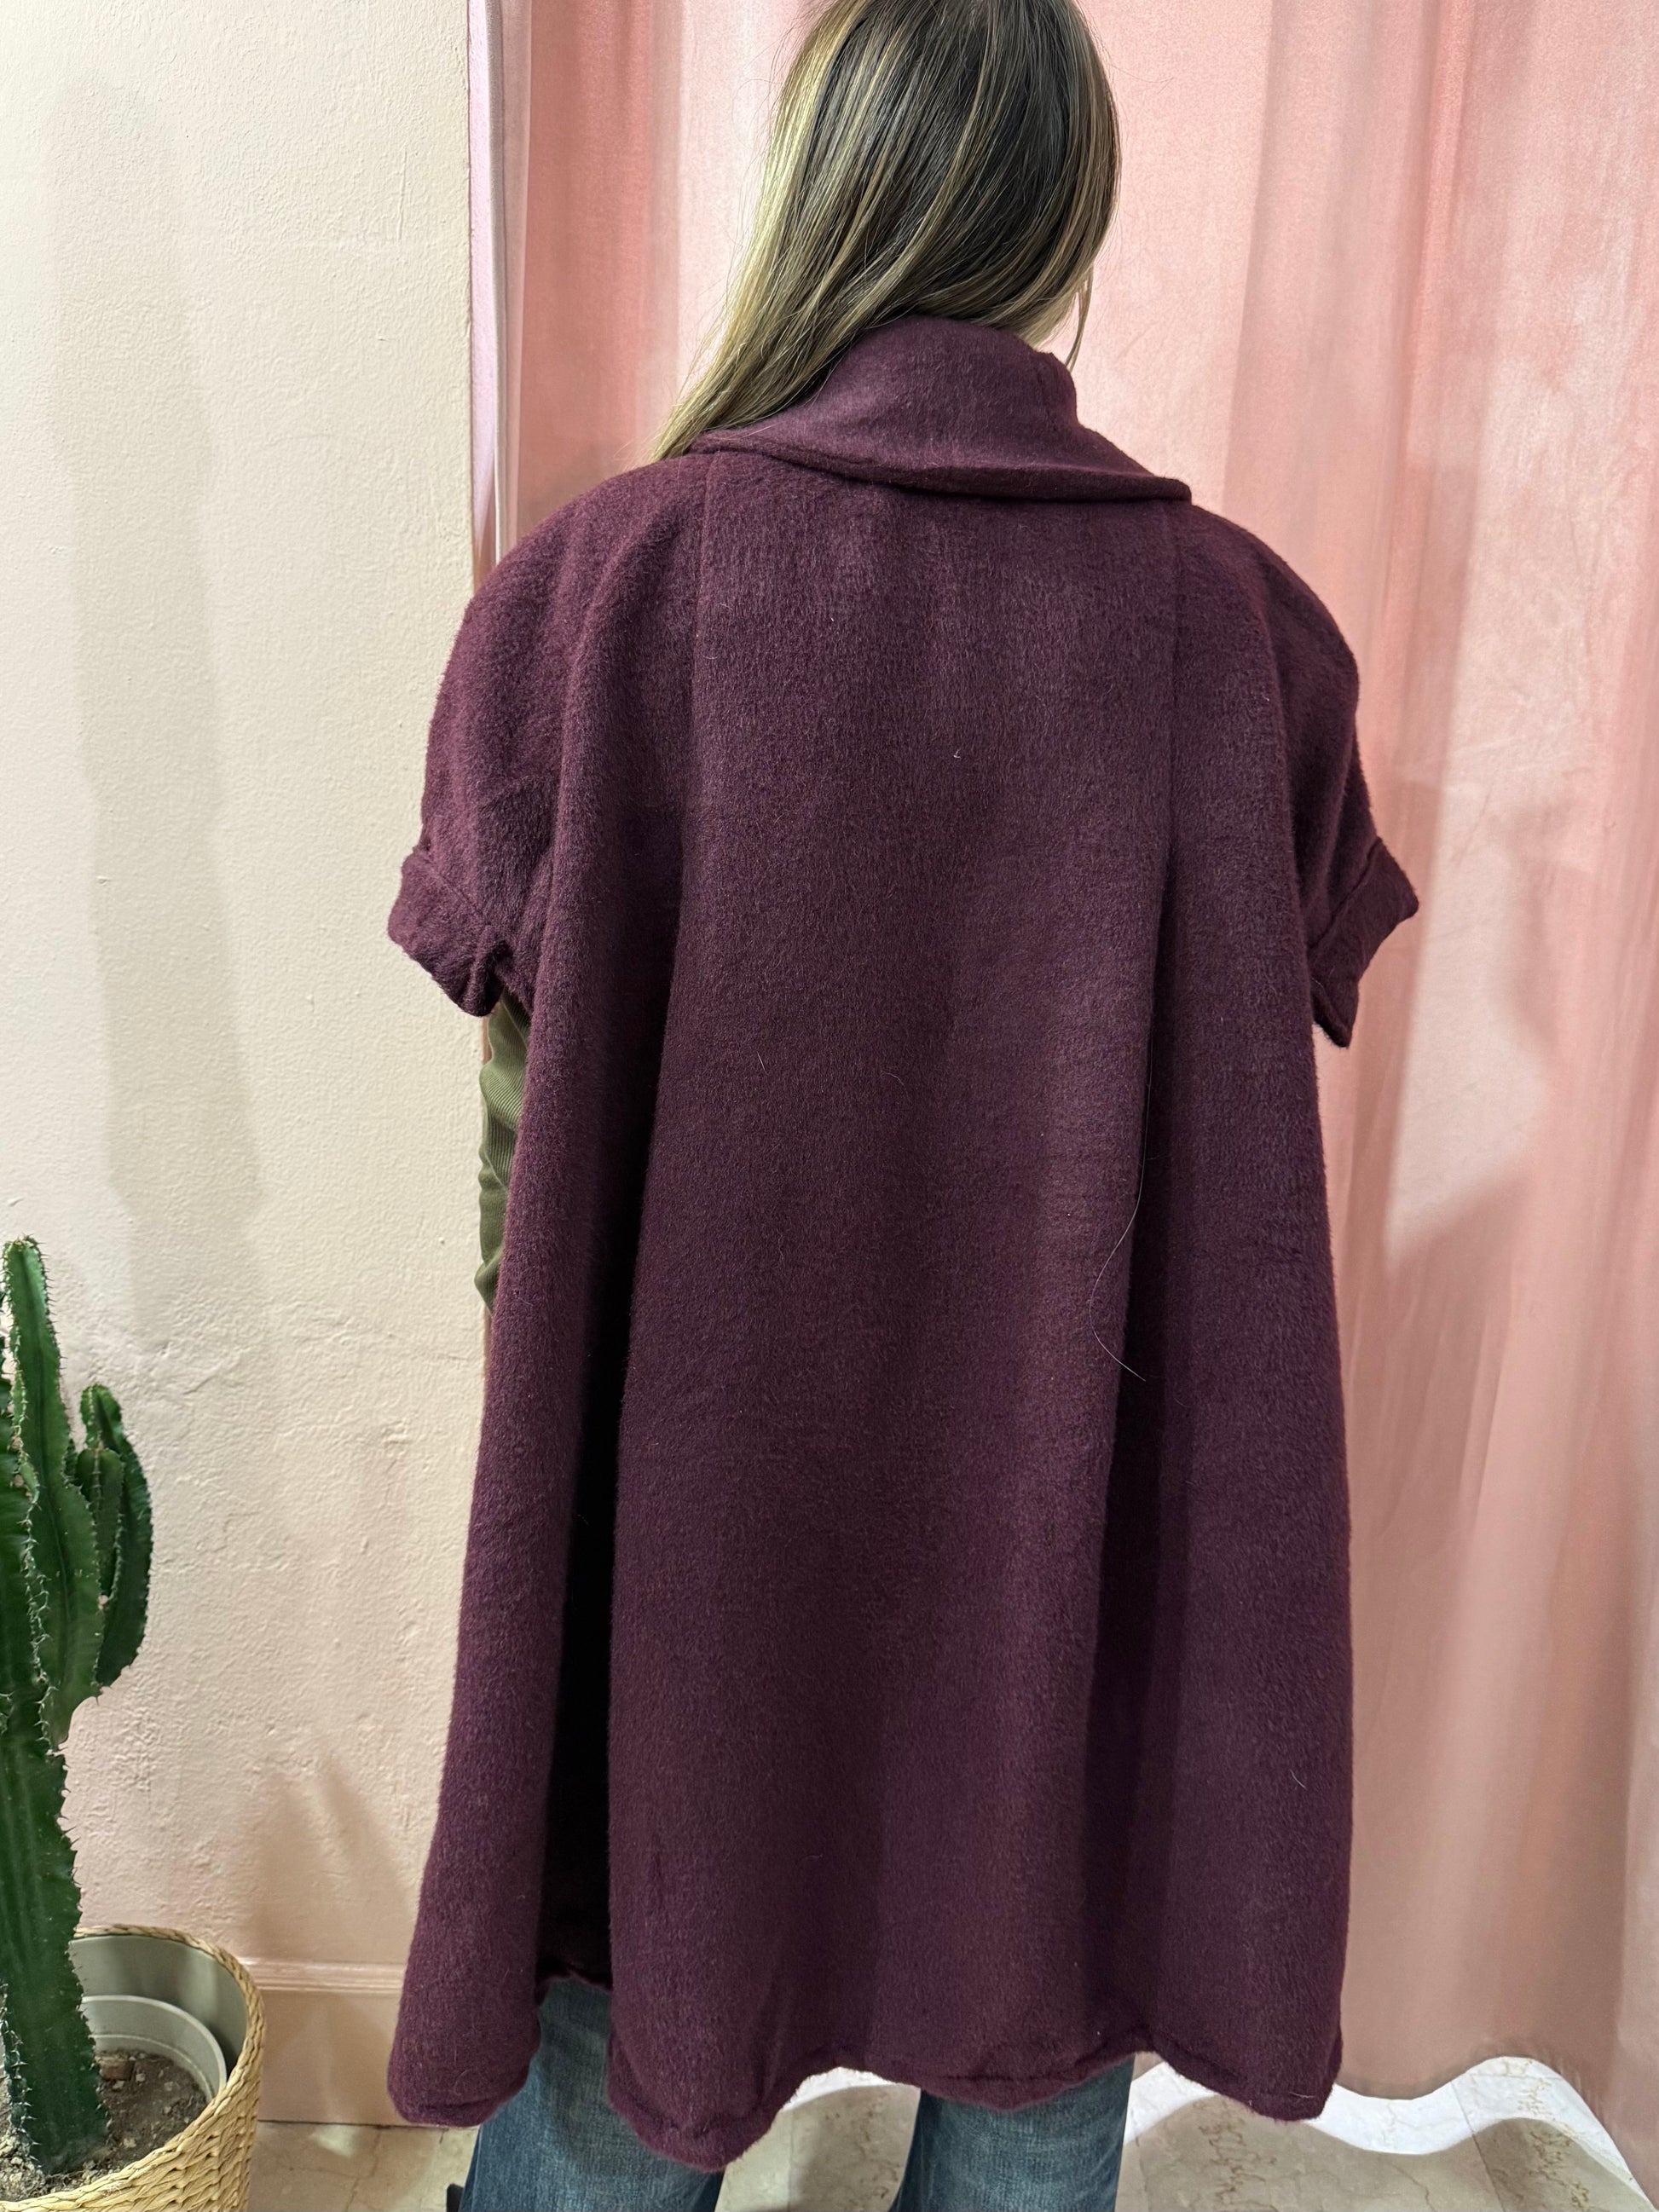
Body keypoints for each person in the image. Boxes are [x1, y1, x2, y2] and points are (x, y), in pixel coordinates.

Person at [388, 0, 1420, 2205]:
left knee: (613, 2059)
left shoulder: (605, 590)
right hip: (1073, 1585)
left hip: (684, 1555)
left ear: (816, 195)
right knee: (1039, 2027)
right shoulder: (1243, 635)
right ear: (1068, 221)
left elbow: (513, 1143)